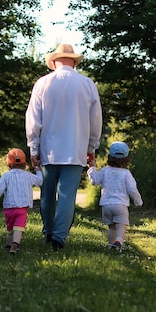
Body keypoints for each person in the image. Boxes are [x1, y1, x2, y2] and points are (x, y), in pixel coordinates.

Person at [25, 43, 103, 251]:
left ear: (53, 62)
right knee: (67, 195)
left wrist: (33, 148)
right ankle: (59, 238)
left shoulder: (43, 83)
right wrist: (91, 146)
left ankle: (48, 232)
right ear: (75, 63)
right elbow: (95, 120)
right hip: (75, 149)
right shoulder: (87, 84)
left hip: (48, 150)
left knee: (47, 194)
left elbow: (33, 119)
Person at [87, 141, 143, 251]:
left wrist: (92, 168)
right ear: (126, 159)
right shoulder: (126, 173)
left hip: (106, 206)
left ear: (109, 157)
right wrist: (138, 201)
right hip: (120, 205)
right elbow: (132, 189)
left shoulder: (104, 171)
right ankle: (119, 242)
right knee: (121, 225)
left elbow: (94, 181)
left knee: (111, 227)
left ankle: (110, 246)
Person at [0, 148, 43, 255]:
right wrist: (38, 169)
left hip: (9, 208)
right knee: (19, 227)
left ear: (8, 164)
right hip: (21, 208)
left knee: (10, 229)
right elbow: (40, 181)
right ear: (24, 164)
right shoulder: (27, 176)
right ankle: (15, 244)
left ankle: (8, 245)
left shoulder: (6, 176)